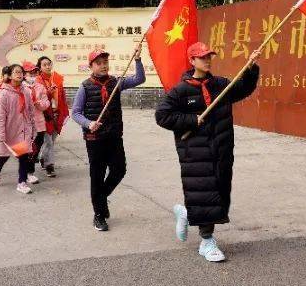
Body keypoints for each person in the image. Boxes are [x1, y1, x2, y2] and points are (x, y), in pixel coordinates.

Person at [154, 42, 262, 263]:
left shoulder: (219, 84)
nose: (207, 60)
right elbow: (162, 116)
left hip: (222, 148)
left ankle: (186, 213)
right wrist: (191, 120)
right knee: (205, 193)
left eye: (209, 56)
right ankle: (207, 241)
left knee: (220, 194)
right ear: (192, 61)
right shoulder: (180, 90)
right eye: (202, 57)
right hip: (195, 151)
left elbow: (243, 89)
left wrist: (251, 68)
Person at [71, 46, 146, 232]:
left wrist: (137, 60)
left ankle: (100, 197)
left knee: (119, 170)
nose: (103, 66)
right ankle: (99, 215)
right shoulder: (85, 86)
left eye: (105, 62)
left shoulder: (116, 83)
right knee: (97, 176)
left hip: (114, 136)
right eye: (99, 63)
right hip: (94, 139)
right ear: (91, 66)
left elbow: (139, 79)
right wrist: (89, 123)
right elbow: (76, 113)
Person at [0, 64, 36, 194]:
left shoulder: (26, 91)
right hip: (8, 131)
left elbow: (31, 111)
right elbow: (0, 118)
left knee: (23, 157)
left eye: (21, 72)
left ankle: (21, 182)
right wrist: (0, 136)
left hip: (22, 131)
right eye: (16, 72)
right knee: (3, 157)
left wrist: (33, 128)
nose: (19, 74)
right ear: (10, 75)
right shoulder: (4, 94)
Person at [37, 56, 68, 177]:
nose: (47, 66)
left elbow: (63, 96)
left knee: (52, 140)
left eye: (49, 64)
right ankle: (49, 165)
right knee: (48, 141)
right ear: (40, 67)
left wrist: (65, 112)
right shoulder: (38, 81)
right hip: (44, 115)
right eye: (44, 65)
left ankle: (42, 157)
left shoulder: (57, 78)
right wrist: (48, 93)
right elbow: (38, 99)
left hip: (57, 114)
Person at [22, 61, 49, 186]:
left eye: (34, 72)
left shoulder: (40, 87)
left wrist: (40, 104)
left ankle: (28, 171)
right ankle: (28, 173)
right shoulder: (20, 88)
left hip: (39, 123)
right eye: (30, 73)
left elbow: (46, 103)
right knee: (27, 149)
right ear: (24, 74)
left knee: (36, 148)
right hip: (25, 124)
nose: (32, 75)